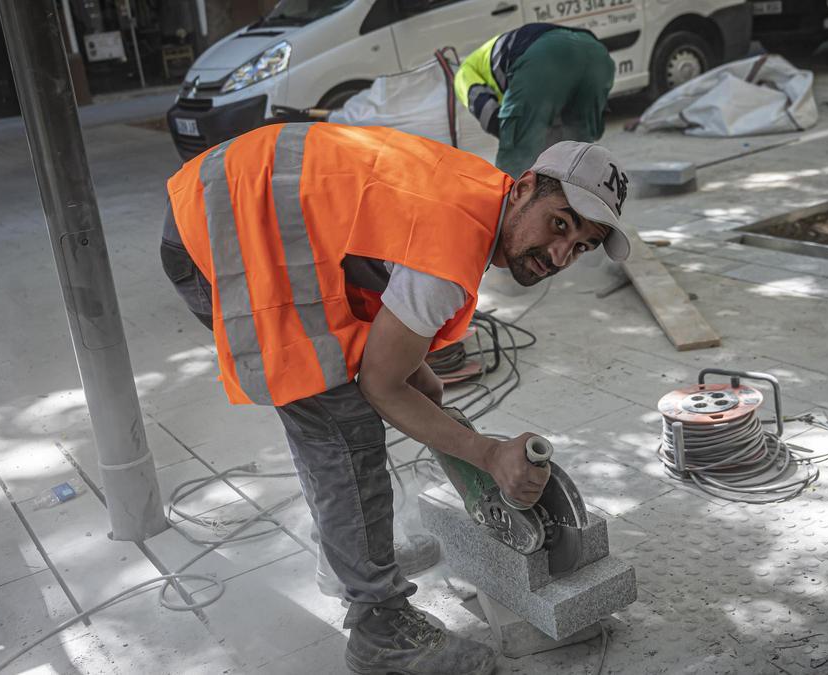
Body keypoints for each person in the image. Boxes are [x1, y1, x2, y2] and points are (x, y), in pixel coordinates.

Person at [160, 122, 630, 675]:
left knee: (370, 394)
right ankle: (378, 625)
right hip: (222, 224)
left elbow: (395, 342)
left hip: (241, 198)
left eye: (581, 246)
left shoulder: (481, 195)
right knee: (341, 420)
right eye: (559, 224)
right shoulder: (449, 252)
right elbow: (380, 386)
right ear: (525, 187)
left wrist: (424, 390)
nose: (558, 254)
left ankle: (347, 560)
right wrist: (486, 454)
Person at [456, 23, 615, 178]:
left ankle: (511, 202)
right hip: (597, 54)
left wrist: (520, 137)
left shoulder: (463, 73)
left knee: (517, 155)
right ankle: (586, 195)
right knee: (578, 146)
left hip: (544, 55)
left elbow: (489, 114)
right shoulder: (495, 52)